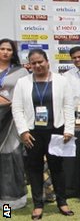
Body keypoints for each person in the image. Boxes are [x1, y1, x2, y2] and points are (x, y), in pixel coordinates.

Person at [12, 49, 75, 220]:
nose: (37, 65)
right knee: (34, 168)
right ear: (29, 65)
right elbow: (17, 109)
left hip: (56, 131)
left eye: (40, 62)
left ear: (47, 61)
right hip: (32, 133)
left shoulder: (62, 81)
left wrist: (69, 129)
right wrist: (23, 131)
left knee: (57, 168)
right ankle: (38, 205)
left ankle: (62, 202)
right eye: (34, 63)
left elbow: (68, 106)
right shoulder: (22, 82)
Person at [0, 38, 29, 209]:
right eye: (2, 48)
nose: (5, 52)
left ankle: (9, 205)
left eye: (8, 49)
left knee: (10, 159)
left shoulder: (21, 72)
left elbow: (25, 96)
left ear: (13, 53)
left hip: (11, 121)